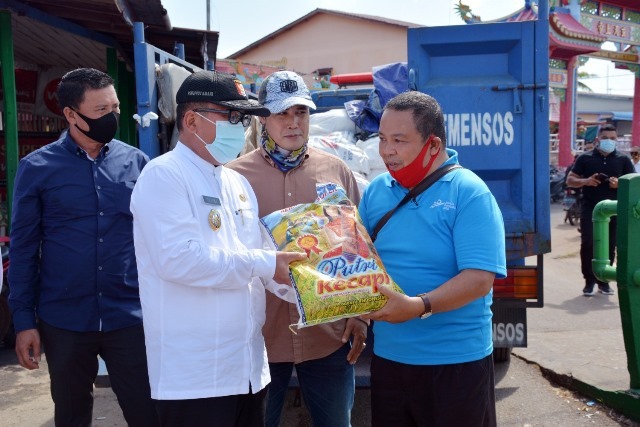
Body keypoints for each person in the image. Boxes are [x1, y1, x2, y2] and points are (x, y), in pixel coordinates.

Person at [130, 70, 306, 427]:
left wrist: (310, 287)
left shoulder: (236, 182)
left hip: (246, 370)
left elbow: (261, 262)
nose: (239, 128)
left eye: (243, 120)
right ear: (192, 120)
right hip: (194, 378)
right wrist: (266, 263)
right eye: (231, 117)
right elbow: (179, 260)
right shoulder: (164, 175)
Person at [8, 68, 159, 426]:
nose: (113, 117)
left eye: (116, 107)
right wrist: (23, 321)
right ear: (71, 115)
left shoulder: (137, 163)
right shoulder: (37, 168)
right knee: (72, 413)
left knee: (149, 411)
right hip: (65, 319)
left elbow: (156, 240)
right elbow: (24, 248)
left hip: (129, 315)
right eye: (101, 110)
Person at [358, 91, 506, 427]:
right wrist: (356, 316)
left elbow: (479, 279)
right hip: (390, 360)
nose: (386, 151)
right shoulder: (377, 191)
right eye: (381, 139)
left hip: (456, 365)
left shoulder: (468, 192)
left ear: (434, 145)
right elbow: (363, 262)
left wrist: (417, 306)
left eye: (399, 140)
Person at [227, 70, 366, 427]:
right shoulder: (234, 179)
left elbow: (355, 247)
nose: (293, 123)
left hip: (328, 336)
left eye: (300, 112)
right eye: (282, 113)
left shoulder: (335, 171)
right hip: (260, 338)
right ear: (262, 118)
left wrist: (360, 314)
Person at [566, 124, 635, 296]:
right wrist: (586, 181)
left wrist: (620, 183)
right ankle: (589, 281)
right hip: (590, 208)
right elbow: (570, 180)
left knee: (610, 245)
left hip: (614, 210)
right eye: (605, 138)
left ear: (617, 139)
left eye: (613, 138)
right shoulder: (585, 158)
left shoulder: (623, 160)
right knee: (588, 243)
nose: (609, 141)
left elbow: (633, 183)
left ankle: (604, 282)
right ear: (598, 139)